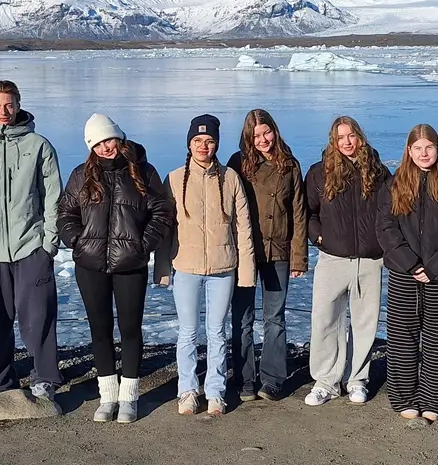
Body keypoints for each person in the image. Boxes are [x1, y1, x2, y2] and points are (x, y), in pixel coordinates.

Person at [57, 114, 173, 424]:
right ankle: (108, 397)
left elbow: (161, 212)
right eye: (98, 143)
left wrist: (141, 244)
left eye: (109, 140)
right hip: (90, 264)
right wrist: (77, 241)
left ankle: (129, 398)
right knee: (100, 330)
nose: (106, 147)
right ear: (91, 147)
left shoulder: (143, 173)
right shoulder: (81, 175)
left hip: (130, 264)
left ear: (120, 138)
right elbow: (65, 214)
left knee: (131, 330)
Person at [0, 80, 64, 401]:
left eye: (9, 105)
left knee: (39, 316)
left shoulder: (38, 145)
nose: (3, 112)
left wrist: (49, 244)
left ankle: (45, 376)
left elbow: (53, 198)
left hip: (31, 247)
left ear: (18, 105)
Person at [375, 125, 438, 425]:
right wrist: (409, 263)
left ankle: (434, 398)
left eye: (429, 147)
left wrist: (437, 265)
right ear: (409, 151)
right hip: (404, 273)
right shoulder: (394, 185)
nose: (424, 153)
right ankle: (403, 396)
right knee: (402, 337)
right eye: (418, 148)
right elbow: (385, 229)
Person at [166, 115, 256, 416]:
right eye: (197, 141)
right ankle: (188, 391)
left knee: (217, 332)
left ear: (216, 144)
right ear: (189, 144)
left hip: (223, 267)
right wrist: (163, 270)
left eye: (209, 141)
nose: (203, 146)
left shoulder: (230, 178)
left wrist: (246, 271)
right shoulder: (176, 178)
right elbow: (167, 228)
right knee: (188, 332)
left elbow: (243, 227)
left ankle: (215, 391)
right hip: (187, 267)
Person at [303, 116, 390, 406]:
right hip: (332, 258)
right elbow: (308, 213)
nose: (347, 142)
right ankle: (326, 381)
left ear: (360, 137)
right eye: (341, 138)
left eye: (351, 136)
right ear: (333, 141)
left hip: (369, 259)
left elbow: (391, 210)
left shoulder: (377, 171)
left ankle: (357, 380)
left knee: (365, 322)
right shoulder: (319, 173)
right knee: (326, 319)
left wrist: (382, 244)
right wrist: (319, 238)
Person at [226, 109, 308, 402]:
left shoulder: (290, 164)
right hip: (245, 251)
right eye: (256, 135)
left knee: (275, 317)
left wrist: (299, 257)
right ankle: (245, 377)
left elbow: (299, 212)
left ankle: (273, 378)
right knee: (243, 317)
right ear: (248, 136)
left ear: (275, 130)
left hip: (280, 250)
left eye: (266, 132)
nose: (263, 140)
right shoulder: (238, 163)